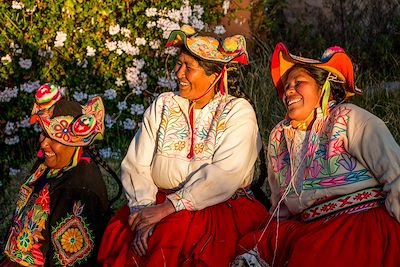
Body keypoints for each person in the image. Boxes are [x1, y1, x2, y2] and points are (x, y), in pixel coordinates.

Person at [97, 25, 269, 267]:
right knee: (123, 239)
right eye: (179, 64)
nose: (179, 73)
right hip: (155, 202)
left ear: (215, 75)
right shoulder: (163, 104)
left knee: (171, 242)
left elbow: (226, 174)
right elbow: (137, 163)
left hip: (216, 209)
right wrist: (144, 211)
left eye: (189, 68)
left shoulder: (237, 111)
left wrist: (169, 208)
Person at [233, 43, 400, 267]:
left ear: (323, 88)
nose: (289, 91)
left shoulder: (348, 118)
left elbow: (395, 174)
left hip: (360, 228)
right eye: (286, 86)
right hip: (311, 230)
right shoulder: (279, 137)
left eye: (298, 83)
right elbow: (280, 204)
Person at [1, 84, 110, 267]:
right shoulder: (50, 165)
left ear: (75, 143)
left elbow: (68, 261)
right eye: (43, 134)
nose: (43, 144)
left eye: (54, 138)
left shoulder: (79, 190)